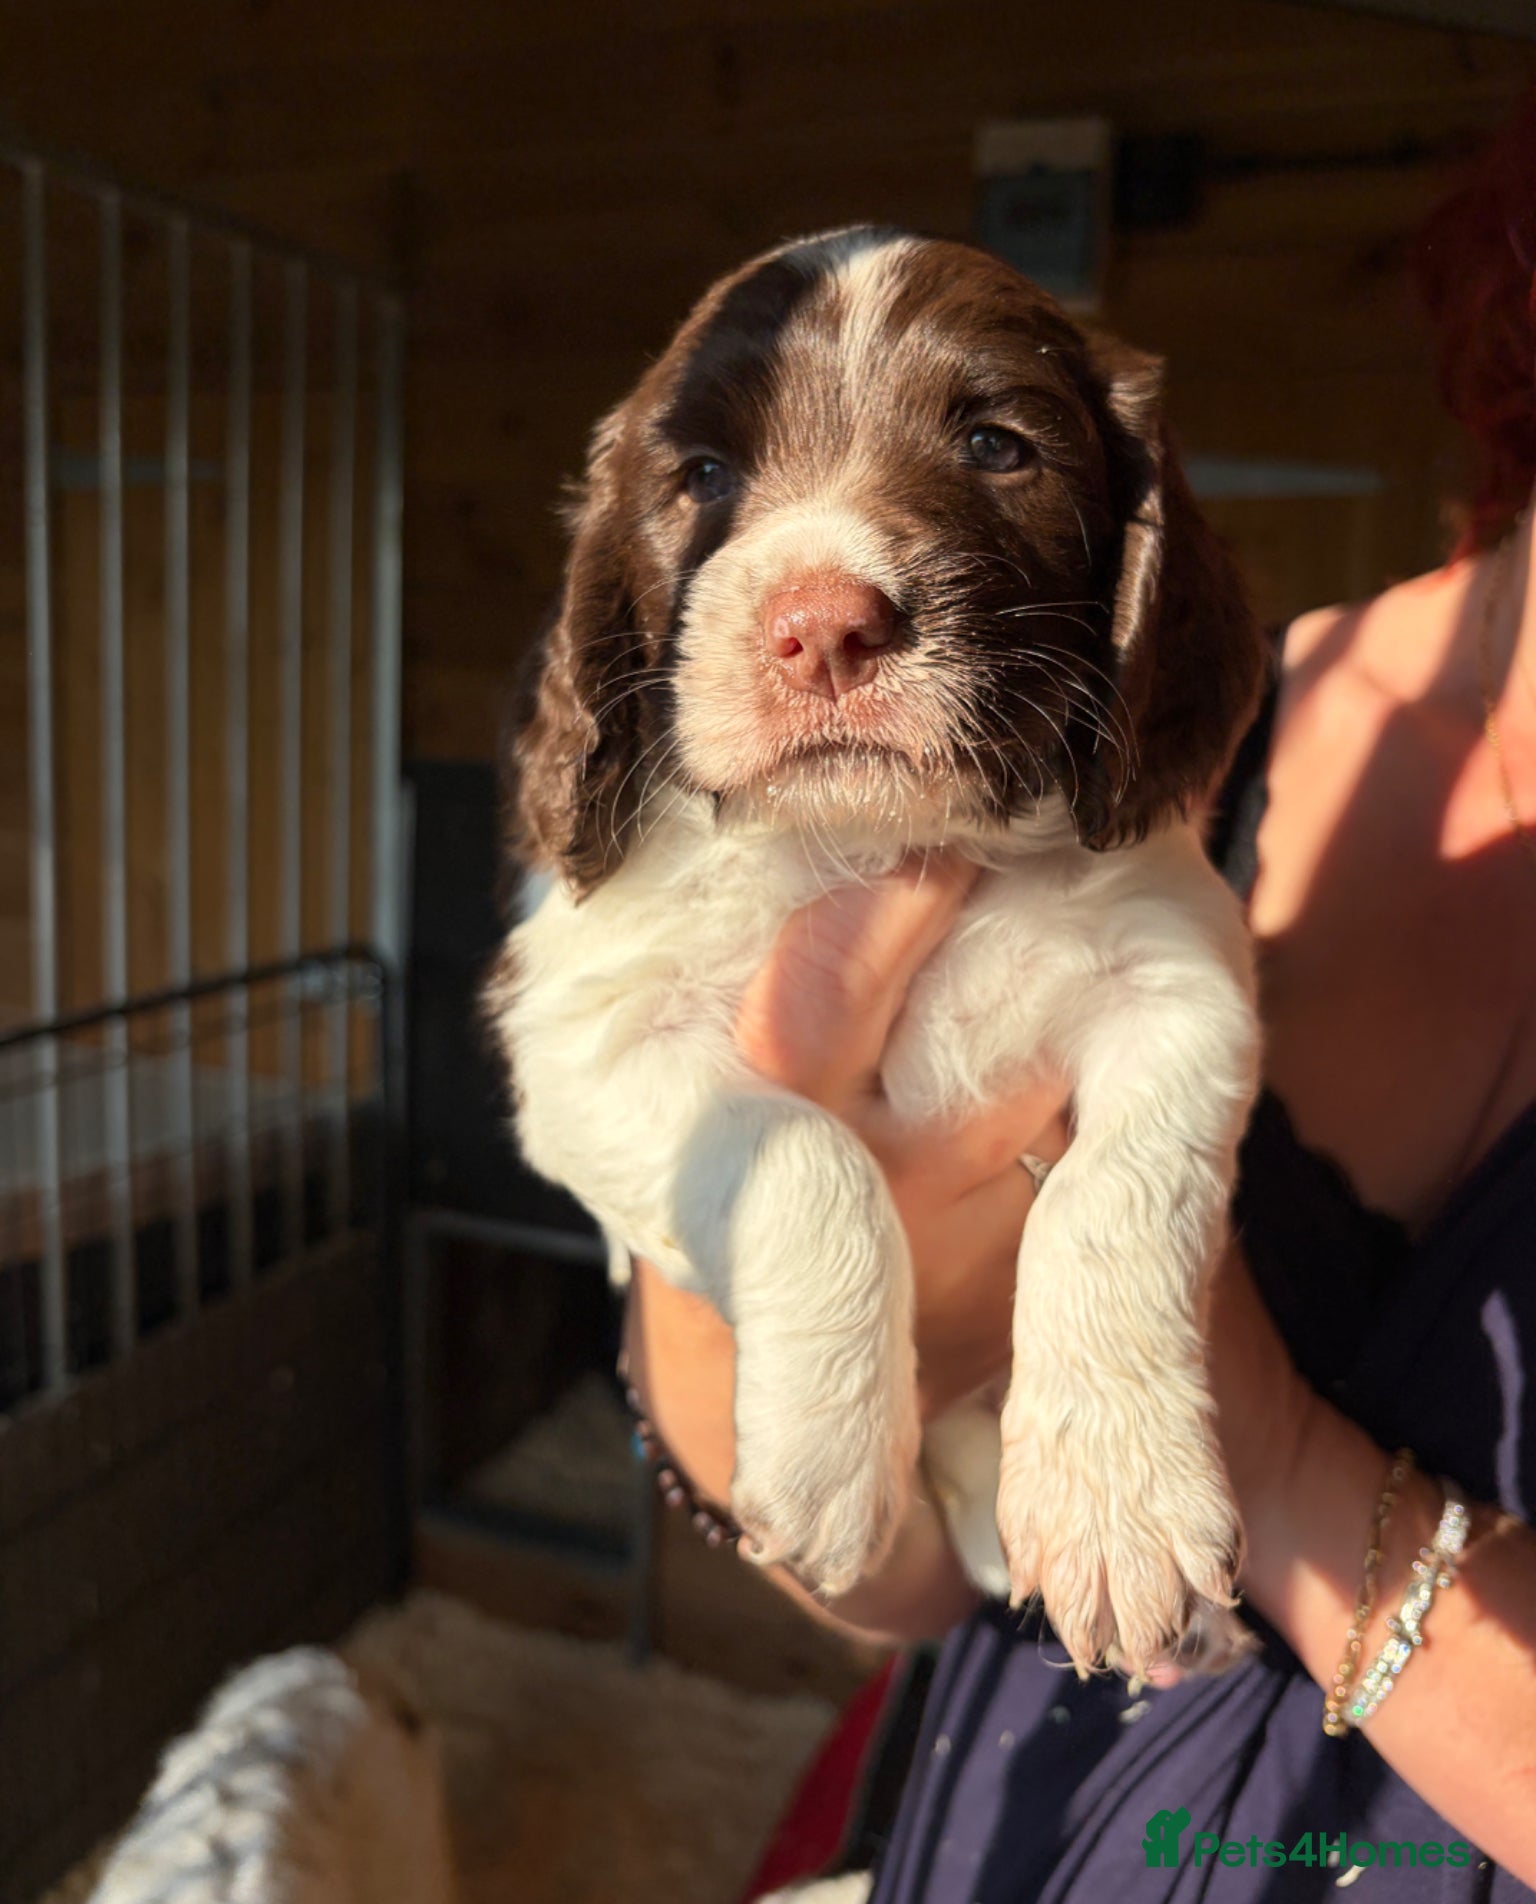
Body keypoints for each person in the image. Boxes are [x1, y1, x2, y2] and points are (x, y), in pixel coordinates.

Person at [624, 96, 1536, 1898]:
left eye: (991, 447)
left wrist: (1266, 1449)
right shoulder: (1181, 718)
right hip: (1002, 1825)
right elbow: (884, 1581)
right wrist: (770, 1281)